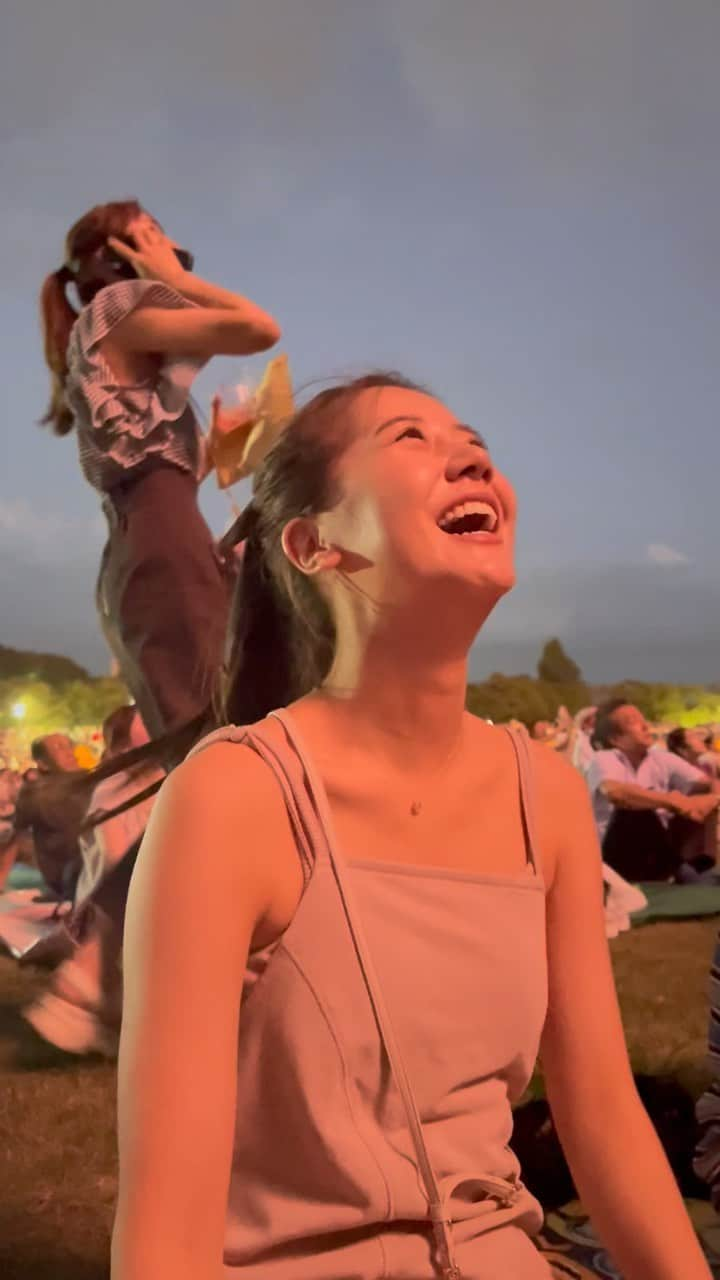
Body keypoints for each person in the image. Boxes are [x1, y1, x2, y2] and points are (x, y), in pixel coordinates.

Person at [112, 374, 710, 1280]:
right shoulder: (237, 798)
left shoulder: (541, 795)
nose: (473, 457)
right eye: (409, 440)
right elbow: (164, 1230)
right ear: (313, 546)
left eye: (472, 441)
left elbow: (601, 1117)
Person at [39, 199, 281, 737]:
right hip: (163, 539)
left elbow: (158, 474)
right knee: (220, 735)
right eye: (147, 235)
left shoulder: (114, 343)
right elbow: (260, 328)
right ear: (115, 259)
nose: (166, 245)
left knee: (212, 731)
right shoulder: (115, 310)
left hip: (153, 536)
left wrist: (215, 446)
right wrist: (172, 277)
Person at [24, 705, 161, 1056]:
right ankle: (91, 978)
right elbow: (112, 859)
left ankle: (92, 981)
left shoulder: (118, 785)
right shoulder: (110, 789)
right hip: (99, 905)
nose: (69, 752)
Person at [588, 700, 720, 883]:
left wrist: (711, 798)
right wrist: (674, 802)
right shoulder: (604, 759)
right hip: (617, 856)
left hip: (660, 850)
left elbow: (707, 783)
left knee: (703, 796)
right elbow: (616, 793)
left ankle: (698, 868)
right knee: (634, 807)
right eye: (632, 722)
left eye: (642, 719)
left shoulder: (661, 758)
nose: (644, 725)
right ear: (616, 739)